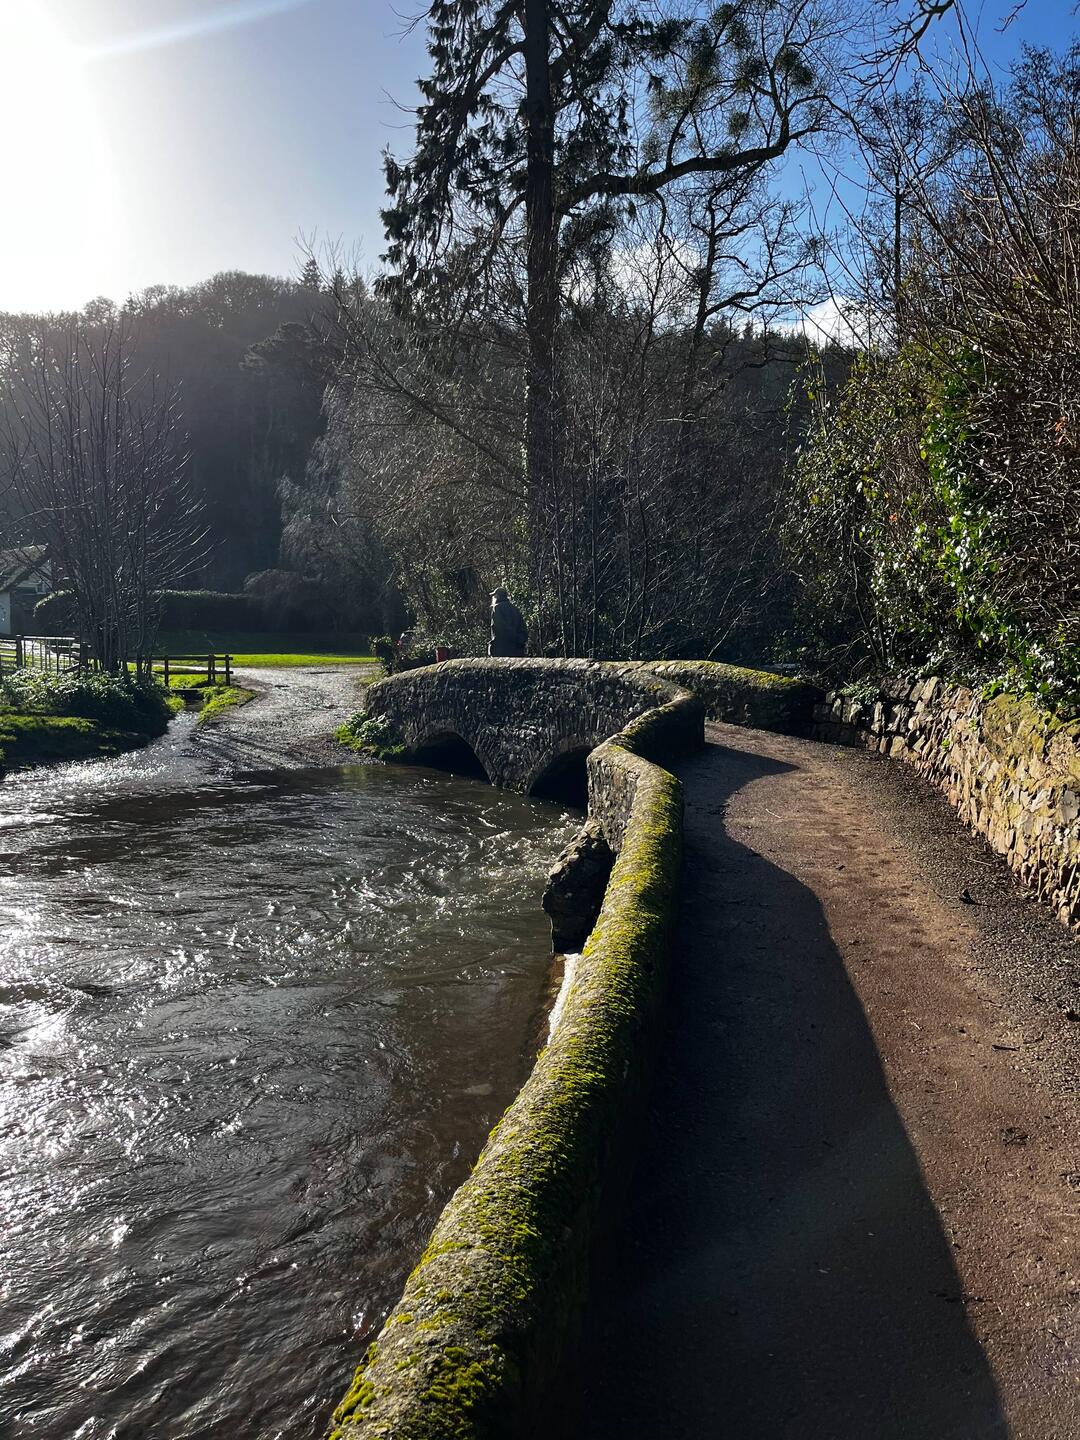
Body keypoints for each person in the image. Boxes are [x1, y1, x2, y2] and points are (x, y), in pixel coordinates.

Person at [488, 587, 527, 657]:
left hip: (502, 650)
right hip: (517, 649)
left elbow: (499, 628)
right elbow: (523, 629)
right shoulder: (515, 609)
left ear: (497, 596)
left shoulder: (497, 608)